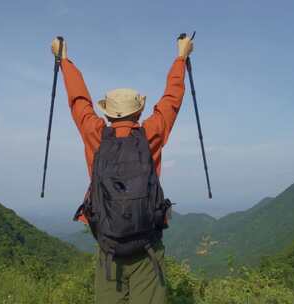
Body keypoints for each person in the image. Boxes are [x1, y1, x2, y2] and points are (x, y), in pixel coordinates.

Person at [51, 36, 193, 304]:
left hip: (110, 250)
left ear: (108, 114)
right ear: (138, 112)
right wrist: (181, 58)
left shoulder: (95, 134)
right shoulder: (150, 133)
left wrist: (64, 61)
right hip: (147, 248)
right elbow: (171, 99)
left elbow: (78, 101)